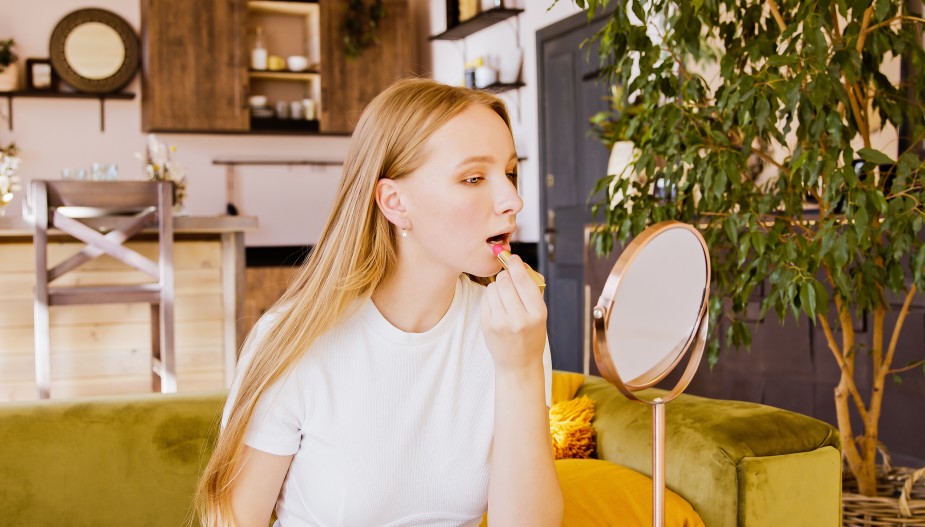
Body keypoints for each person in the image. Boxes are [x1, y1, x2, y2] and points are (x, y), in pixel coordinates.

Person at [195, 78, 563, 527]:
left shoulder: (513, 336)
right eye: (473, 178)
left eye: (510, 173)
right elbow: (234, 519)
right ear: (394, 202)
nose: (513, 200)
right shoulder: (296, 340)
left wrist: (519, 369)